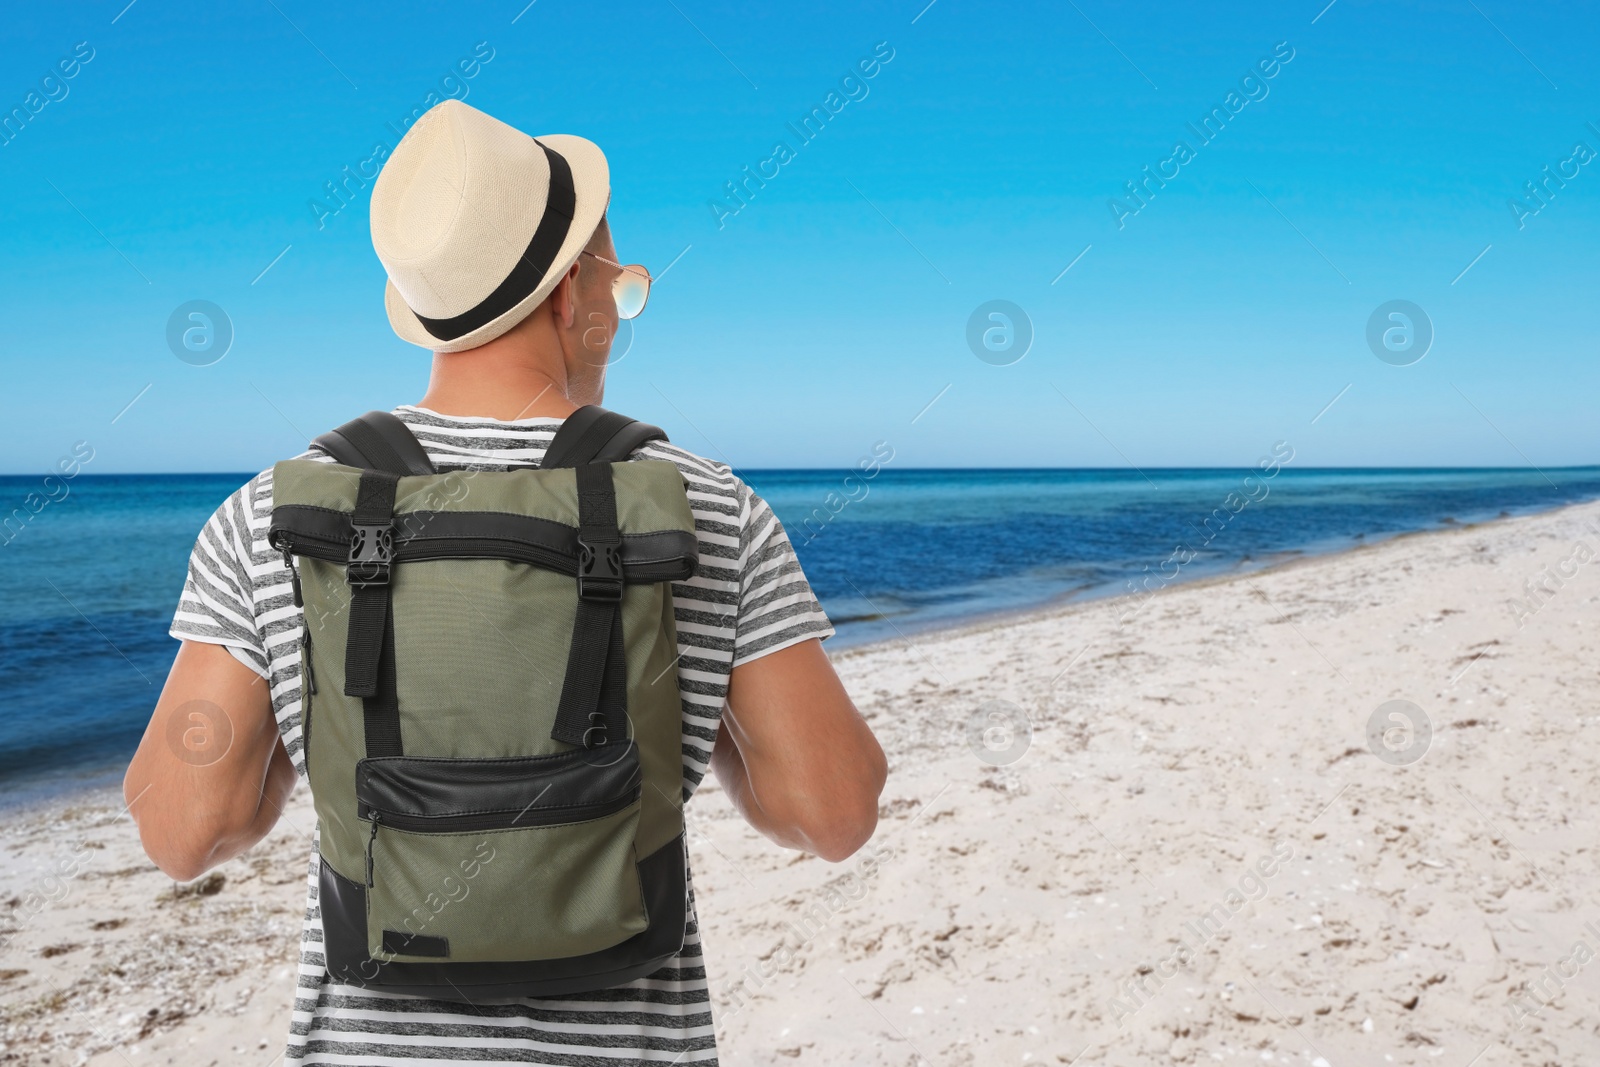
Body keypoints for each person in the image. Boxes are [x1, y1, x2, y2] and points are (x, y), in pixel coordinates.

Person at [123, 99, 887, 1065]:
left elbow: (187, 830)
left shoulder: (273, 515)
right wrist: (695, 727)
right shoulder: (704, 506)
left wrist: (320, 734)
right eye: (620, 283)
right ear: (571, 294)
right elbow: (832, 811)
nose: (618, 312)